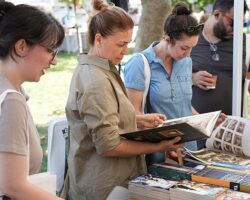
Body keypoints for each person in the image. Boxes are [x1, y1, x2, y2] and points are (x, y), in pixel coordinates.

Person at [65, 1, 184, 199]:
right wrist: (159, 146)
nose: (125, 50)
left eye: (128, 43)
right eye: (121, 44)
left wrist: (137, 120)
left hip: (115, 183)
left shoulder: (103, 69)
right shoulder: (95, 80)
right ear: (99, 39)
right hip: (105, 189)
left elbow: (104, 118)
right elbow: (109, 145)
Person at [124, 2, 203, 165]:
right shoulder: (139, 64)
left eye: (192, 48)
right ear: (167, 39)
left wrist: (207, 121)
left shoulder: (185, 61)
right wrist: (164, 144)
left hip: (189, 150)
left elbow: (184, 105)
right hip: (158, 153)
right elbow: (133, 117)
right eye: (184, 48)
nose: (188, 54)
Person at [0, 2, 65, 200]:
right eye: (50, 50)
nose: (54, 61)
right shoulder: (11, 101)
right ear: (21, 46)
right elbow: (14, 186)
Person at [191, 0, 248, 115]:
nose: (236, 29)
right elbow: (167, 77)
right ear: (217, 14)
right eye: (233, 23)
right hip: (196, 125)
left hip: (232, 127)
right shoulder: (189, 37)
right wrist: (191, 78)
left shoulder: (243, 42)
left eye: (241, 24)